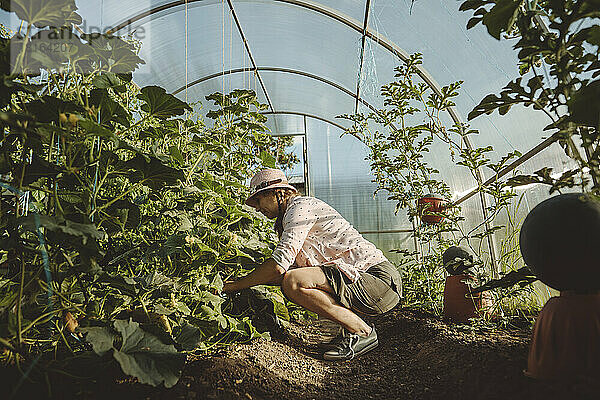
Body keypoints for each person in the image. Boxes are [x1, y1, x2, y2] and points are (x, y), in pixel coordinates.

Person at [222, 168, 402, 361]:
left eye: (258, 200)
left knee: (294, 282)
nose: (257, 207)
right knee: (293, 279)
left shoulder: (300, 208)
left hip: (379, 281)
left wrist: (235, 285)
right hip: (366, 283)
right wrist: (244, 279)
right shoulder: (289, 216)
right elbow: (279, 273)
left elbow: (279, 267)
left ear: (278, 193)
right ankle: (350, 330)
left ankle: (362, 331)